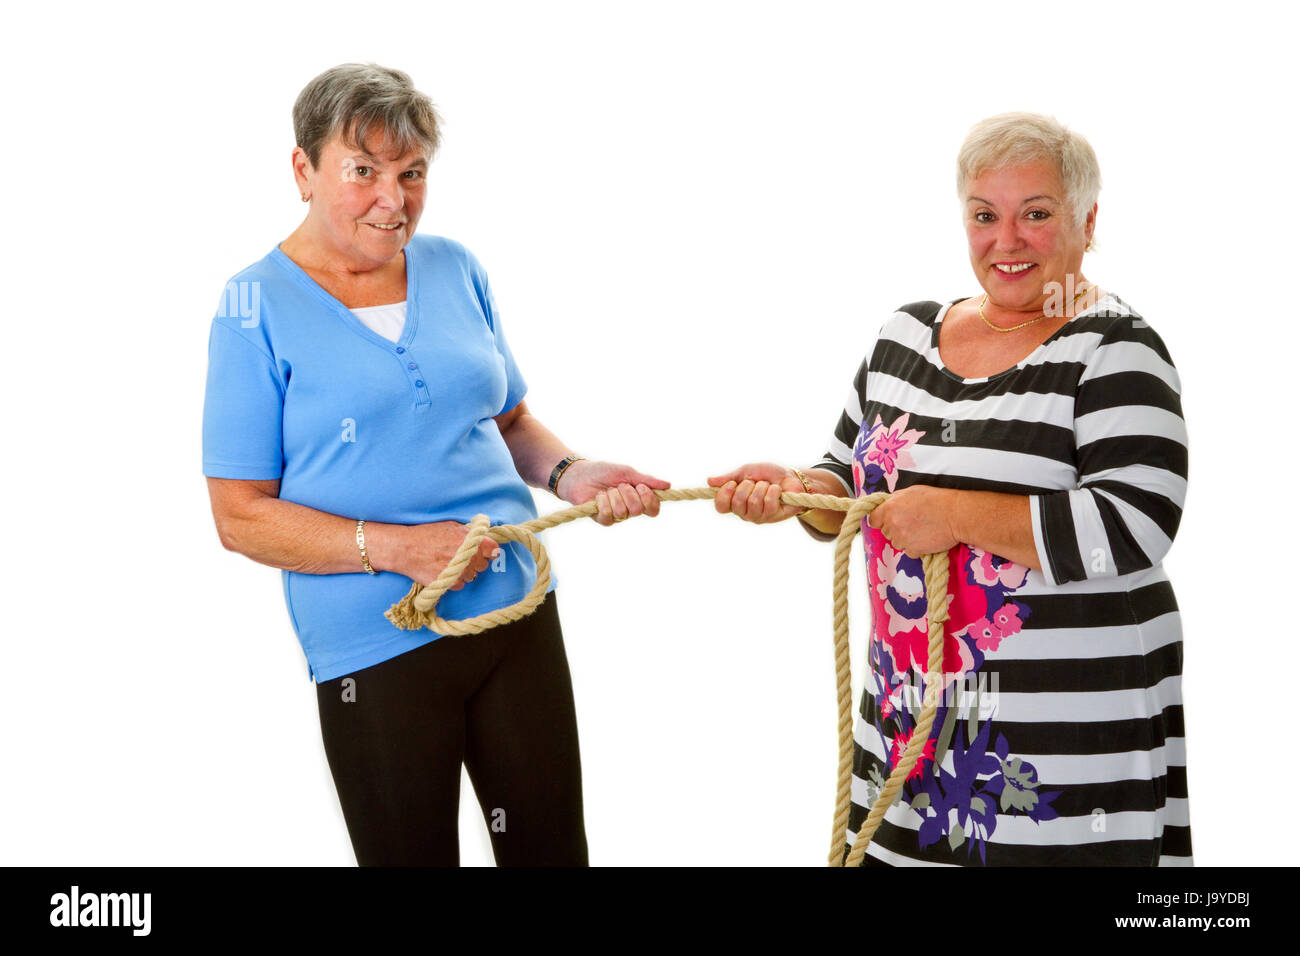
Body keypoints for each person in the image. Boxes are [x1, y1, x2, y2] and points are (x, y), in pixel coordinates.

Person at [201, 62, 668, 866]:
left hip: (513, 607)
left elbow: (509, 418)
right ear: (303, 170)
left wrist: (568, 474)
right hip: (377, 644)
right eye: (363, 171)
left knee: (553, 852)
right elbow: (239, 516)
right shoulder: (253, 308)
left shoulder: (455, 267)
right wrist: (397, 547)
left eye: (412, 173)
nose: (394, 200)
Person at [709, 112, 1191, 866]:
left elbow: (1135, 525)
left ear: (1087, 221)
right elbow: (846, 476)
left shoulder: (1115, 348)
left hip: (1058, 758)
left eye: (1036, 214)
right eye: (984, 215)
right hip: (909, 734)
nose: (1007, 240)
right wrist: (797, 491)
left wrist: (955, 514)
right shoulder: (903, 336)